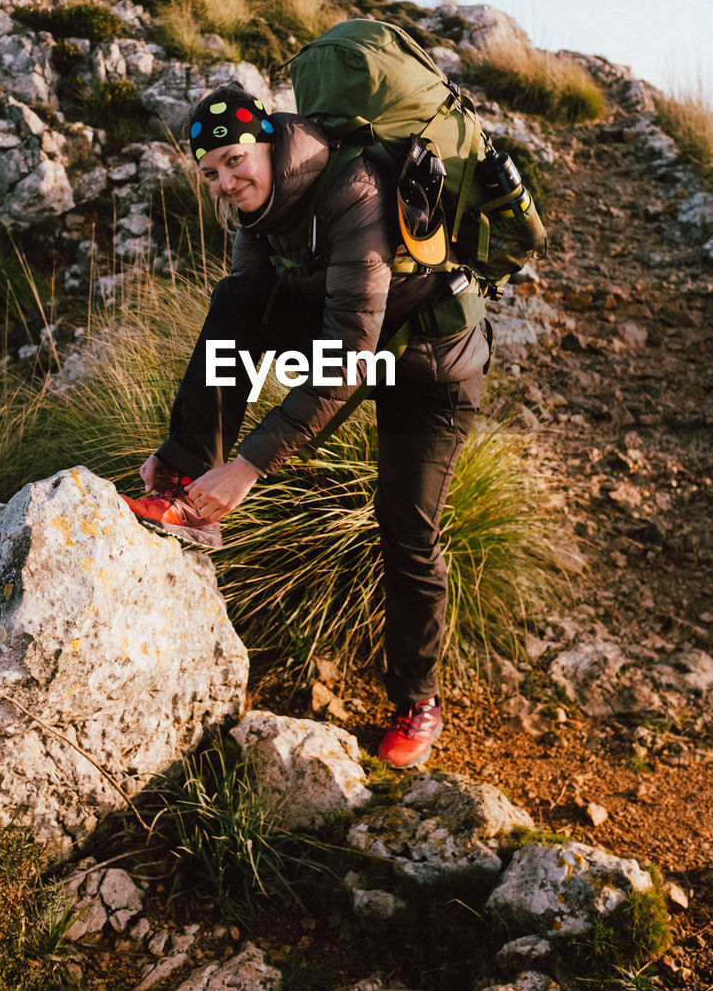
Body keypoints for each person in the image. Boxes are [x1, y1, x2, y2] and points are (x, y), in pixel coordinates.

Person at [123, 82, 490, 768]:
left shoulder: (351, 188)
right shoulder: (257, 214)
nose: (226, 181)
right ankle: (181, 485)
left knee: (406, 525)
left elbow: (347, 359)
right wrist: (192, 446)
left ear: (267, 140)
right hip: (355, 344)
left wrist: (250, 466)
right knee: (234, 300)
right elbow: (246, 318)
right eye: (210, 174)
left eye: (234, 160)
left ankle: (418, 702)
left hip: (428, 367)